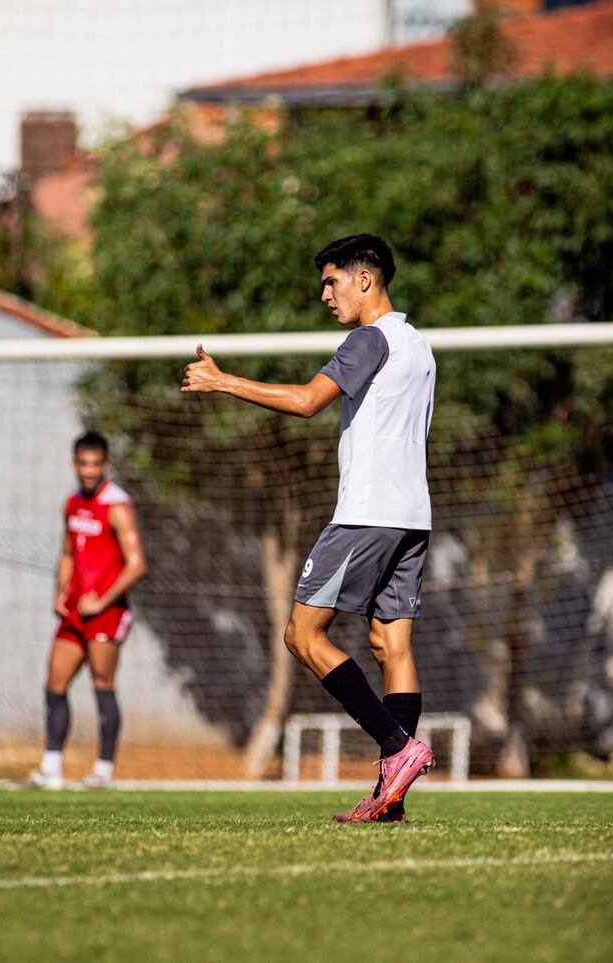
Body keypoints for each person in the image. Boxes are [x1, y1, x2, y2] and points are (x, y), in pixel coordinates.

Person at [181, 233, 435, 822]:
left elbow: (304, 401)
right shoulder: (418, 344)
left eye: (331, 280)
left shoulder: (368, 338)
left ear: (364, 279)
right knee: (390, 644)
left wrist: (223, 382)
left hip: (365, 516)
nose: (325, 293)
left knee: (302, 635)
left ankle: (398, 749)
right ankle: (390, 801)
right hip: (412, 517)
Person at [30, 430, 147, 790]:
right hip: (76, 611)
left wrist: (102, 599)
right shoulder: (72, 503)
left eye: (96, 464)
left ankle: (104, 770)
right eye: (84, 464)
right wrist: (59, 592)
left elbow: (137, 563)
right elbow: (67, 553)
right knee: (55, 681)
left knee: (102, 683)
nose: (90, 471)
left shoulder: (117, 506)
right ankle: (51, 769)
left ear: (105, 465)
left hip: (107, 612)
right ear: (75, 464)